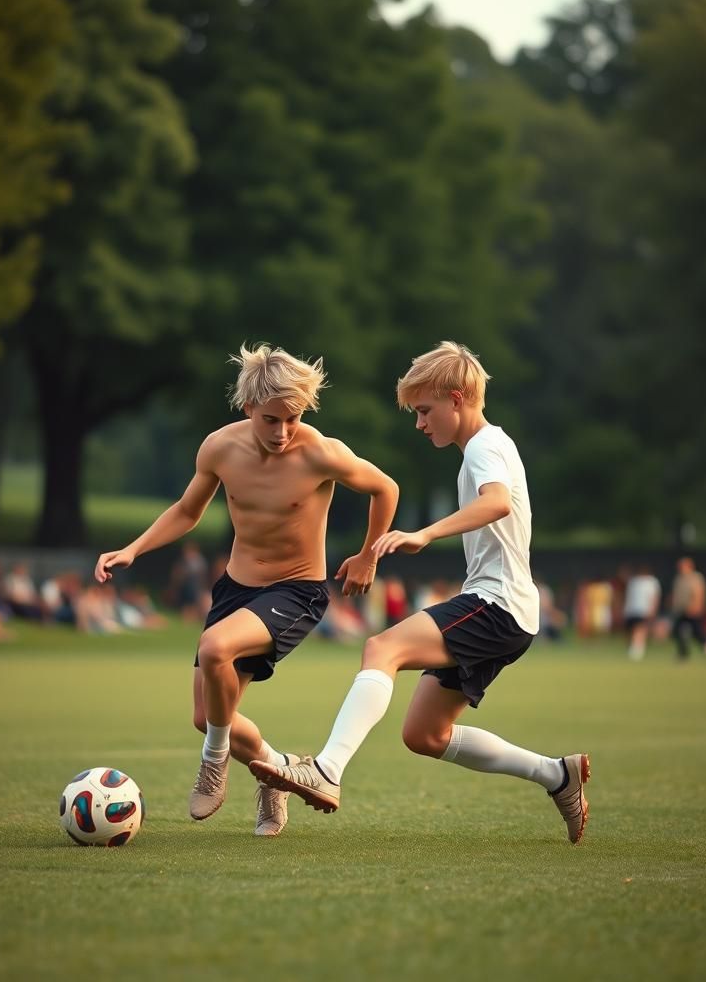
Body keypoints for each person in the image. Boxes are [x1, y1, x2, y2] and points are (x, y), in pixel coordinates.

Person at [251, 341, 590, 844]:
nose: (420, 423)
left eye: (425, 411)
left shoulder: (483, 447)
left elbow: (495, 503)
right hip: (510, 612)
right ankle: (556, 775)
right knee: (424, 735)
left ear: (457, 398)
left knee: (380, 648)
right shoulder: (487, 445)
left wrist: (425, 533)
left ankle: (326, 769)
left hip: (496, 605)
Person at [94, 344, 399, 837]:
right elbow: (187, 511)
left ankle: (214, 765)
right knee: (208, 715)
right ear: (247, 409)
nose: (282, 432)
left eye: (292, 419)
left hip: (297, 590)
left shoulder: (321, 451)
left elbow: (386, 488)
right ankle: (277, 772)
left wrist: (368, 556)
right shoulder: (219, 448)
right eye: (271, 420)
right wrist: (135, 549)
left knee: (213, 647)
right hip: (236, 590)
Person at [670, 556, 706, 660]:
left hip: (692, 610)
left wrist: (695, 606)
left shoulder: (696, 577)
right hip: (681, 610)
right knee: (678, 631)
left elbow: (698, 594)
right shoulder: (679, 578)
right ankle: (683, 653)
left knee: (697, 632)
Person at [623, 565, 661, 660]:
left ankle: (637, 651)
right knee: (631, 631)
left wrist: (653, 609)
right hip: (631, 610)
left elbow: (654, 597)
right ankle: (633, 648)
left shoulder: (652, 582)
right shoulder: (633, 581)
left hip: (644, 610)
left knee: (640, 629)